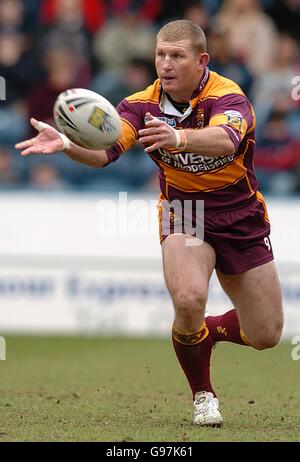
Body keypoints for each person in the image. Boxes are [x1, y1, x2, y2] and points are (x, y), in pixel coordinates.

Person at [15, 20, 283, 427]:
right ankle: (203, 395)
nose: (166, 64)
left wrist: (177, 139)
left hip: (239, 213)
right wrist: (69, 146)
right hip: (185, 212)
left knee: (266, 334)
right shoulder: (139, 105)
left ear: (201, 60)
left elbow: (226, 140)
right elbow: (106, 153)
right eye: (161, 54)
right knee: (189, 299)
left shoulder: (228, 95)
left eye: (177, 56)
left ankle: (201, 334)